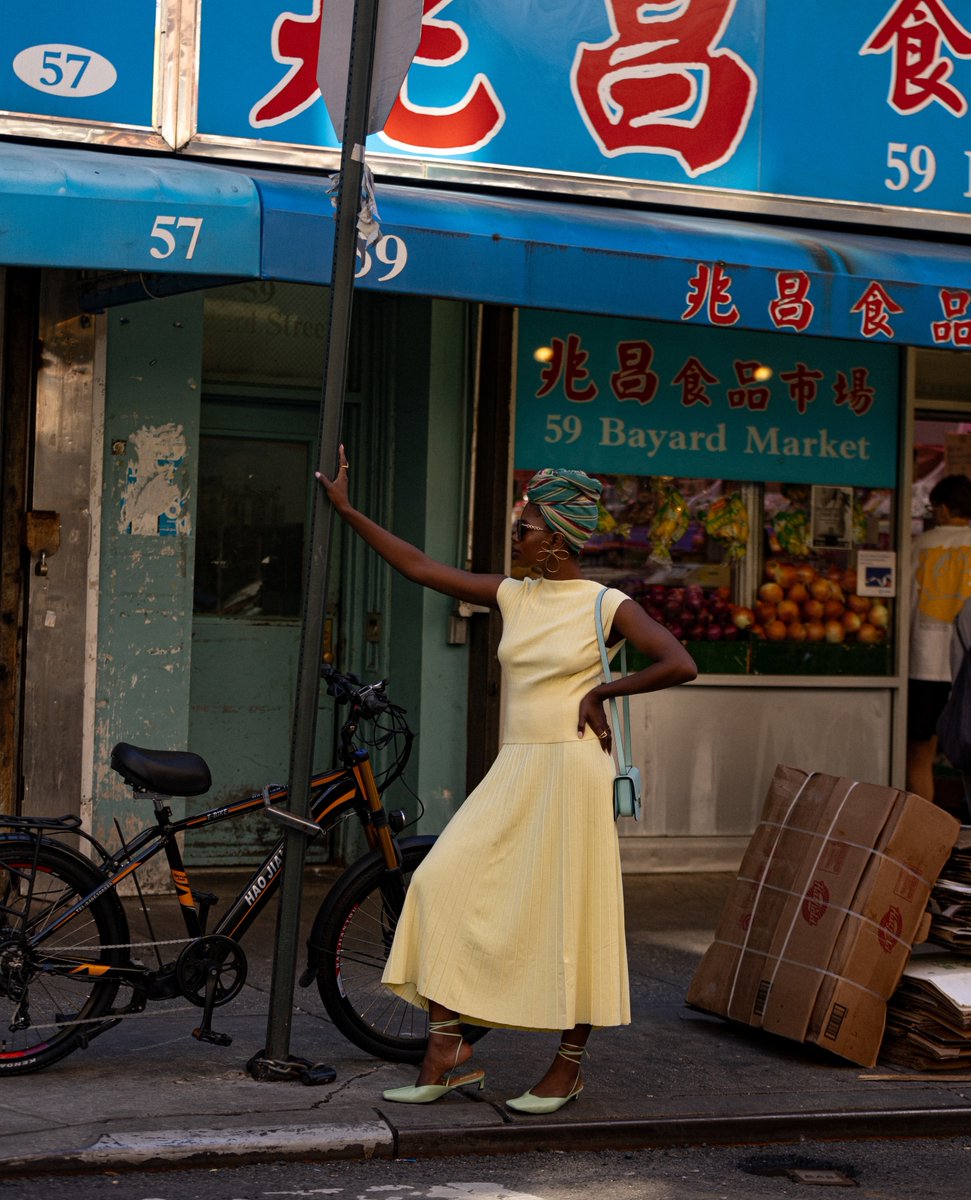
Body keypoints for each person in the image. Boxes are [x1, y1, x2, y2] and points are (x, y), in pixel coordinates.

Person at [316, 452, 696, 1113]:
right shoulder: (513, 595)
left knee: (570, 914)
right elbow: (419, 566)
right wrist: (349, 512)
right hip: (515, 764)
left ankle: (566, 1065)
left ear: (556, 538)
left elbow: (677, 662)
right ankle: (448, 1051)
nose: (514, 539)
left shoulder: (606, 603)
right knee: (437, 883)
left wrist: (603, 690)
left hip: (571, 768)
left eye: (523, 529)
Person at [907, 474, 971, 802]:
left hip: (925, 662)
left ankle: (923, 835)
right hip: (966, 670)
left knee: (920, 753)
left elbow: (904, 602)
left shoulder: (920, 545)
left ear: (944, 509)